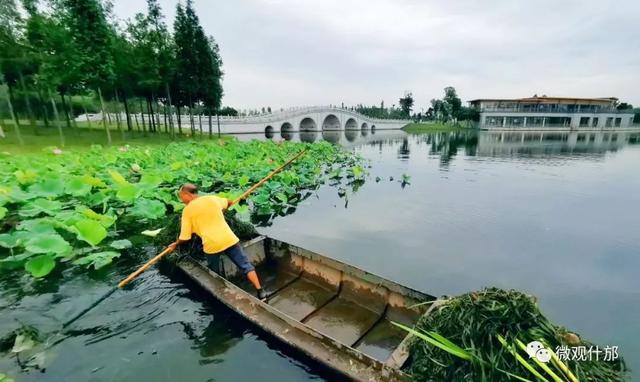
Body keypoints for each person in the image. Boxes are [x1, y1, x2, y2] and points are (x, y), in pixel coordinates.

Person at [168, 183, 267, 301]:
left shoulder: (187, 211)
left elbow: (185, 237)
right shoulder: (212, 199)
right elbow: (229, 202)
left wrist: (175, 244)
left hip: (212, 245)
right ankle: (261, 292)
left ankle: (222, 295)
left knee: (214, 273)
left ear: (187, 194)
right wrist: (224, 207)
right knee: (246, 266)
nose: (181, 200)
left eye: (181, 196)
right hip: (229, 239)